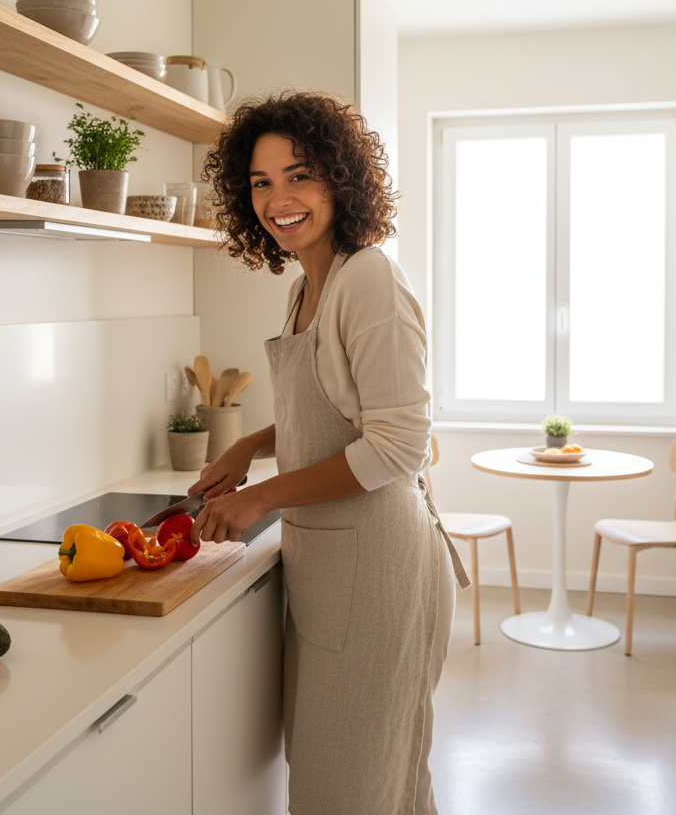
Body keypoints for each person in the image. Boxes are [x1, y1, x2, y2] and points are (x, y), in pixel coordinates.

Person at [188, 91, 469, 815]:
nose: (278, 198)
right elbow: (342, 413)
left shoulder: (368, 278)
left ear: (341, 179)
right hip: (331, 567)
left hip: (380, 567)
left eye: (299, 174)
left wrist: (262, 497)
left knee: (359, 788)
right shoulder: (310, 284)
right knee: (358, 779)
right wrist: (252, 443)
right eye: (260, 181)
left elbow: (400, 445)